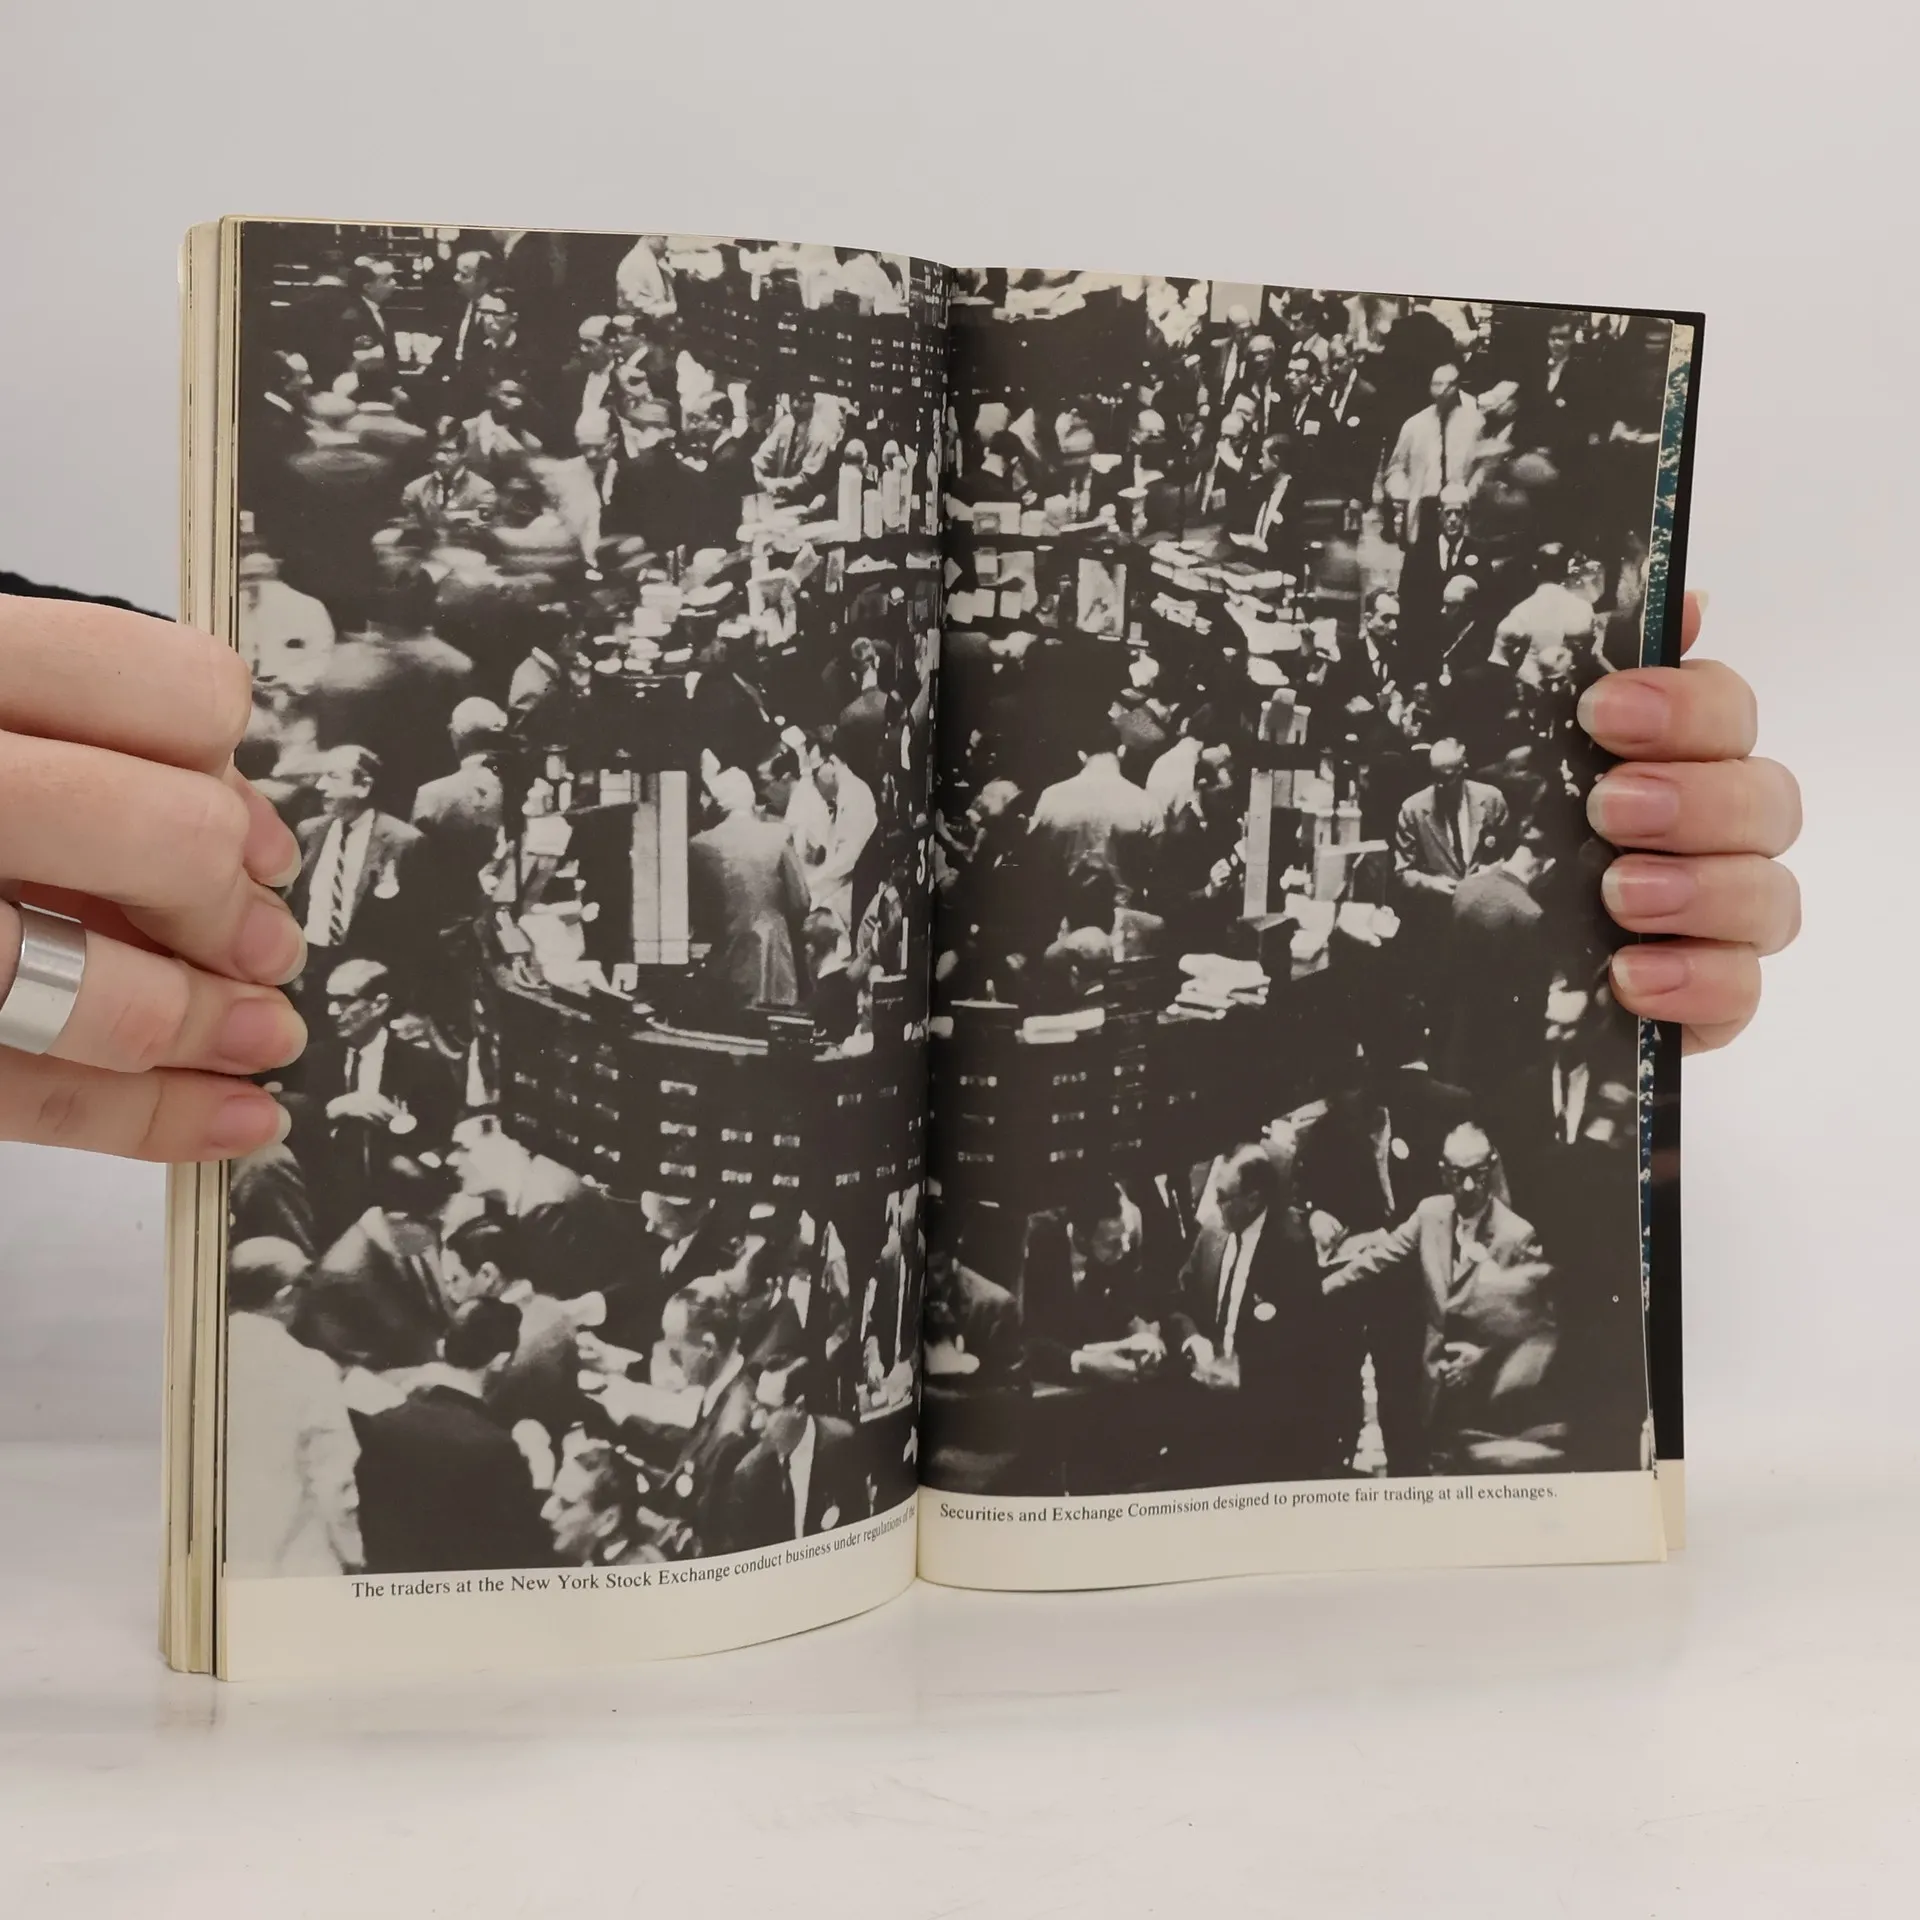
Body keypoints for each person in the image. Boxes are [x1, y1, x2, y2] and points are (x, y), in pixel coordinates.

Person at [1323, 1123, 1546, 1474]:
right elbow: (1378, 1259)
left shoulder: (1518, 1235)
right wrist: (1320, 1290)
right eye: (1458, 1175)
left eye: (1478, 1174)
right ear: (1443, 1173)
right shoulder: (1429, 1214)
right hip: (1432, 1382)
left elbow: (1537, 1328)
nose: (1469, 1186)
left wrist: (1483, 1358)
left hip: (1487, 1394)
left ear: (1491, 1169)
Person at [352, 1296, 554, 1574]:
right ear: (500, 1360)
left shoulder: (380, 1423)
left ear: (442, 1346)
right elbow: (525, 1550)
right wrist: (541, 1478)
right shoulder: (495, 1449)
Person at [223, 1237, 363, 1577]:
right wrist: (354, 1554)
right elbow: (334, 1480)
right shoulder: (309, 1368)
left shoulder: (195, 1356)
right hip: (294, 1561)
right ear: (285, 1298)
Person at [724, 1357, 865, 1550]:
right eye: (757, 1407)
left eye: (768, 1410)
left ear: (798, 1408)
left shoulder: (842, 1445)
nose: (756, 1423)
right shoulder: (747, 1477)